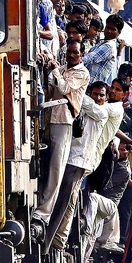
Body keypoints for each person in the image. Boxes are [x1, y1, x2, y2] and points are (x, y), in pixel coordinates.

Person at [45, 81, 109, 251]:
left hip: (78, 161)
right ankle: (54, 240)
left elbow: (83, 101)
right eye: (95, 94)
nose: (97, 98)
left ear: (106, 98)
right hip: (68, 157)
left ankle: (47, 242)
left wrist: (74, 89)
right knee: (64, 200)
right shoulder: (82, 106)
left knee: (62, 201)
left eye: (101, 95)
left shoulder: (101, 112)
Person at [34, 40, 89, 225]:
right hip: (49, 117)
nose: (71, 55)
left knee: (56, 167)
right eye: (69, 52)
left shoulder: (82, 73)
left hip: (64, 120)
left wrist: (56, 70)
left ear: (81, 54)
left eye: (75, 52)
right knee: (46, 164)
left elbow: (64, 88)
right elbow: (52, 88)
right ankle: (39, 203)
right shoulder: (64, 68)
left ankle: (44, 212)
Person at [82, 14, 124, 85]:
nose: (109, 31)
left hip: (92, 87)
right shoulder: (101, 43)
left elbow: (90, 58)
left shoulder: (109, 46)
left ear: (118, 32)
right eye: (108, 28)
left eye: (113, 29)